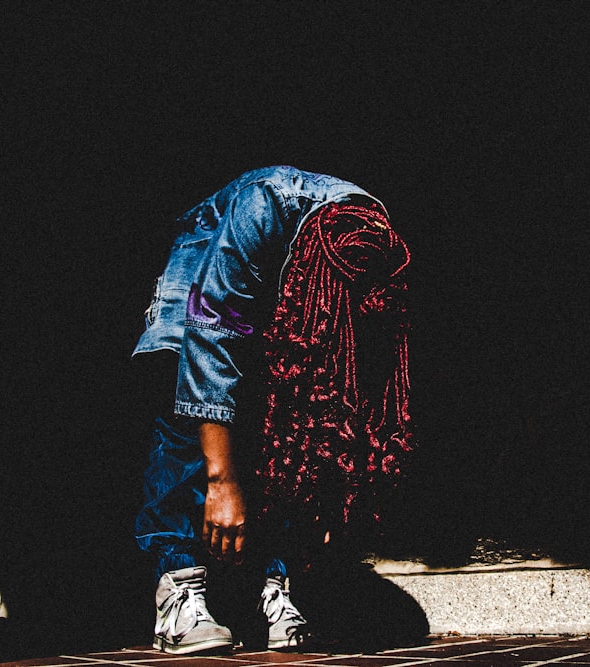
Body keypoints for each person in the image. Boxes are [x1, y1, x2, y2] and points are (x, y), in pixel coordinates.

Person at [132, 166, 415, 654]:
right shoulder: (262, 209)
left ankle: (274, 586)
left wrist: (332, 491)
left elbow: (349, 386)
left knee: (283, 427)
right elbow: (210, 332)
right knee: (186, 416)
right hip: (206, 261)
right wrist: (222, 481)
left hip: (278, 283)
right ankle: (177, 591)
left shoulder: (377, 244)